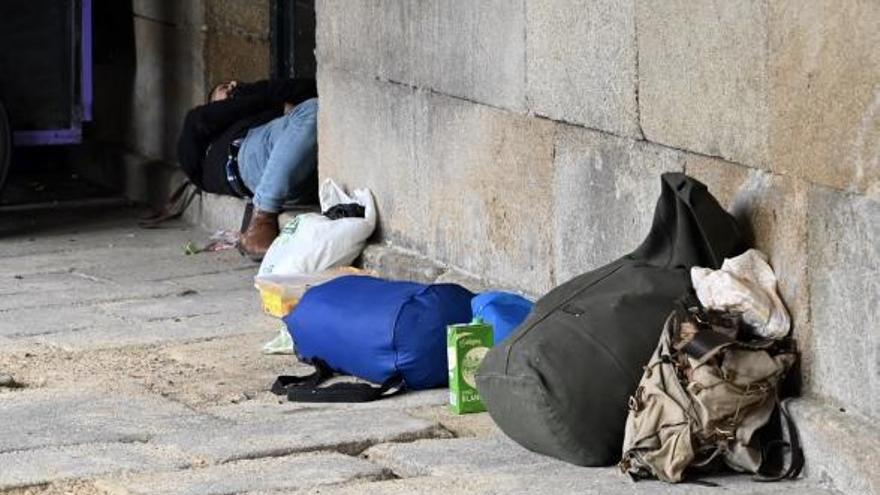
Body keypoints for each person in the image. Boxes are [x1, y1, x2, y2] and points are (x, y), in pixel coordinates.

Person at [177, 78, 318, 260]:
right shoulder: (205, 126)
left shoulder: (263, 106)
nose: (232, 84)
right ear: (211, 104)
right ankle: (263, 214)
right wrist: (261, 100)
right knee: (313, 110)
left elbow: (309, 86)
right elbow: (200, 121)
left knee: (322, 110)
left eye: (235, 84)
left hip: (298, 169)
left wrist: (255, 90)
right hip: (249, 156)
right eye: (224, 87)